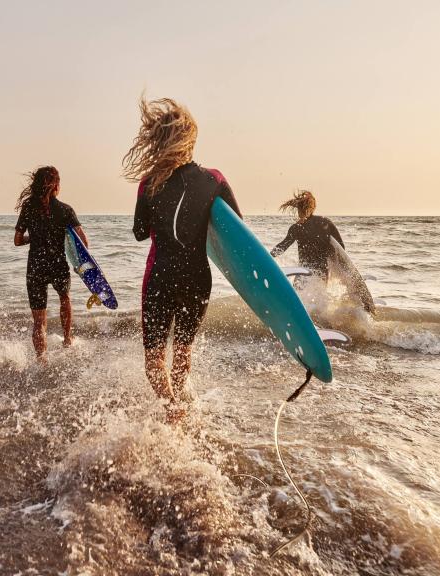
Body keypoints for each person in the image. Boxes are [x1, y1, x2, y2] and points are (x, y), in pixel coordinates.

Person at [123, 97, 241, 421]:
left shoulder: (149, 182)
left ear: (158, 141)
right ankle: (182, 416)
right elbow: (235, 228)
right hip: (197, 278)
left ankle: (171, 410)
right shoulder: (214, 179)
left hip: (160, 276)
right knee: (182, 354)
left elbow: (138, 232)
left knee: (153, 359)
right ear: (191, 139)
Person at [14, 166, 87, 362]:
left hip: (35, 268)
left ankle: (41, 360)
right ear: (56, 185)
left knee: (39, 321)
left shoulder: (28, 207)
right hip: (58, 265)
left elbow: (18, 240)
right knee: (65, 298)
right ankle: (67, 339)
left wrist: (35, 237)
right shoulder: (65, 209)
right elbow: (83, 243)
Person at [270, 190, 343, 279]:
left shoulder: (296, 227)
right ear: (313, 208)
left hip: (303, 271)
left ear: (298, 209)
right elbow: (341, 247)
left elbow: (282, 247)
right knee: (319, 292)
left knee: (298, 291)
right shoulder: (325, 223)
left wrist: (267, 257)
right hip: (322, 271)